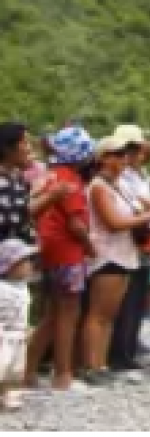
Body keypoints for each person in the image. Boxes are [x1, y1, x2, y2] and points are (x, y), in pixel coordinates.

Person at [82, 134, 150, 388]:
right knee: (98, 314)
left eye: (124, 154)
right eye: (117, 154)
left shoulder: (120, 185)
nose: (123, 158)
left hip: (124, 253)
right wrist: (148, 217)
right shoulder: (99, 186)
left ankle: (101, 364)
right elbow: (113, 222)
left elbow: (141, 206)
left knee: (109, 315)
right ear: (103, 158)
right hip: (107, 253)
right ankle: (91, 365)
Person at [26, 127, 95, 392]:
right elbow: (76, 224)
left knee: (52, 314)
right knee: (68, 312)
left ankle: (28, 371)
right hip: (68, 252)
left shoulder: (49, 175)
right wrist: (90, 246)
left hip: (48, 250)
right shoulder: (70, 180)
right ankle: (63, 375)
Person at [0, 239, 37, 412]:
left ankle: (10, 395)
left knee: (16, 368)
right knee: (2, 365)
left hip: (18, 336)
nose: (30, 265)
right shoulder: (2, 289)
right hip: (4, 335)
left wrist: (27, 327)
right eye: (24, 261)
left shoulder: (24, 288)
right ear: (10, 266)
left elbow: (24, 311)